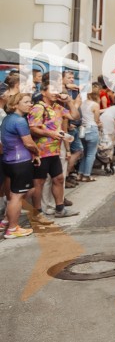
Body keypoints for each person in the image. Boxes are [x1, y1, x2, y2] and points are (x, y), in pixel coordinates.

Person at [28, 76, 80, 220]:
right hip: (41, 151)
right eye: (52, 90)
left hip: (54, 151)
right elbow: (32, 128)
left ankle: (60, 209)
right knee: (39, 182)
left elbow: (75, 116)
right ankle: (37, 213)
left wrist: (69, 101)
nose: (56, 92)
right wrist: (50, 133)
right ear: (43, 92)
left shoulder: (57, 107)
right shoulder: (39, 107)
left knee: (58, 178)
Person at [2, 93, 39, 238]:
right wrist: (37, 153)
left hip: (8, 161)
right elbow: (29, 143)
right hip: (19, 162)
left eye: (30, 101)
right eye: (26, 102)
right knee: (17, 196)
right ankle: (12, 229)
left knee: (16, 194)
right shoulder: (20, 121)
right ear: (15, 104)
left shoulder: (7, 118)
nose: (30, 104)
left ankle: (7, 220)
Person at [78, 90, 101, 182]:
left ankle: (79, 174)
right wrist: (100, 124)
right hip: (92, 128)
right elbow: (96, 119)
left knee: (85, 153)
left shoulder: (80, 104)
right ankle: (86, 175)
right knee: (91, 154)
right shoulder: (95, 105)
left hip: (82, 130)